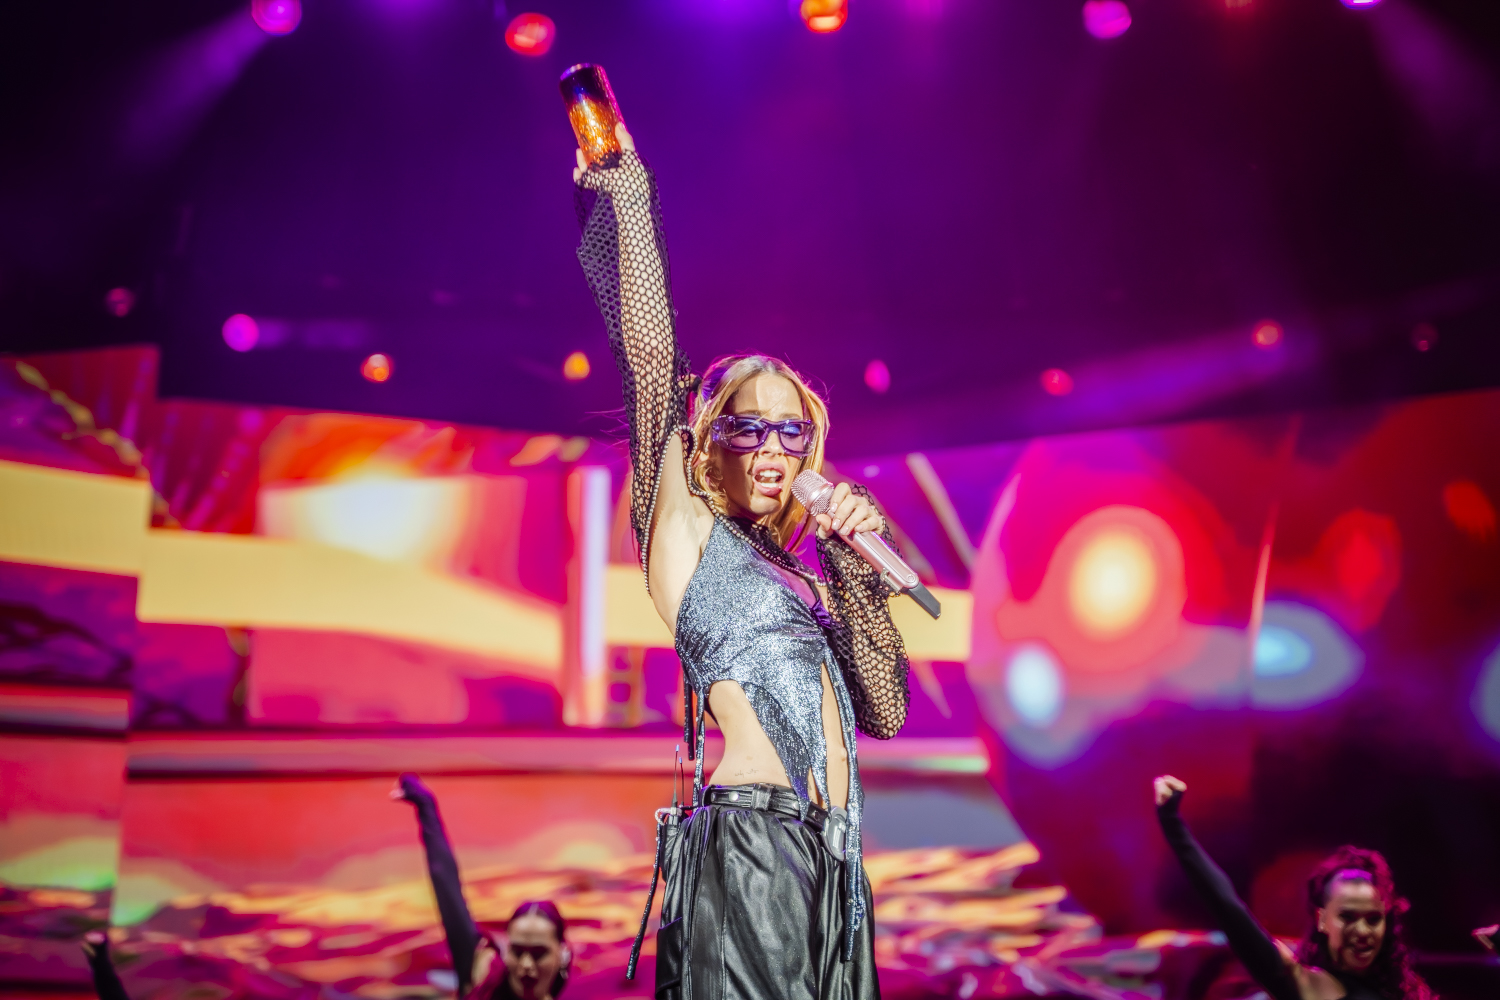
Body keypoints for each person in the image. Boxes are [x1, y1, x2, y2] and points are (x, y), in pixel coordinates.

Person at [571, 124, 912, 1000]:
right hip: (755, 844)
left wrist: (852, 566)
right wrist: (627, 195)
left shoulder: (801, 575)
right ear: (708, 443)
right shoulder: (684, 534)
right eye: (748, 427)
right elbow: (651, 361)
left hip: (834, 862)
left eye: (791, 431)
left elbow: (884, 710)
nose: (772, 448)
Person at [1153, 775, 1435, 1000]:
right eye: (1347, 917)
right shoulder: (1306, 986)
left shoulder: (1405, 993)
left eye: (1373, 919)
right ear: (1322, 919)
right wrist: (1173, 824)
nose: (1362, 932)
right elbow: (1228, 908)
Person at [393, 773, 570, 1000]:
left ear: (562, 955)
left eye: (538, 953)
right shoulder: (483, 974)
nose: (526, 965)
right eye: (517, 952)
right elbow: (448, 893)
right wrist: (427, 810)